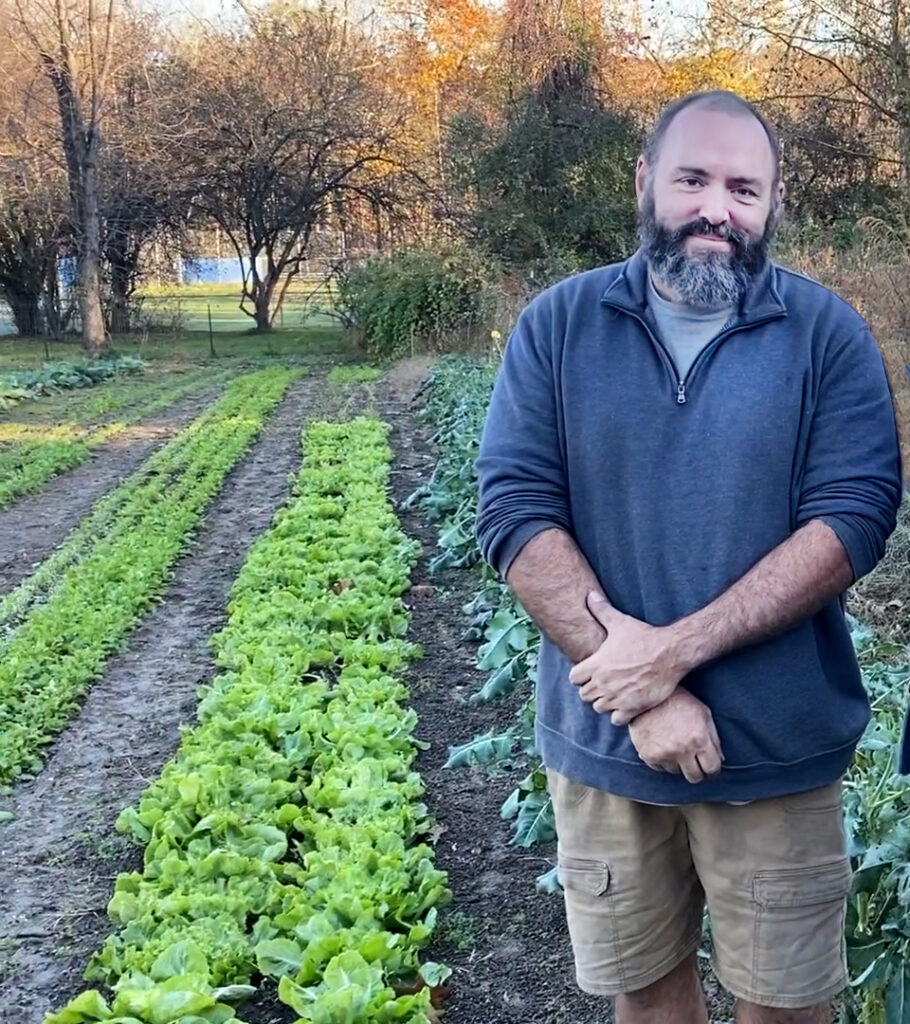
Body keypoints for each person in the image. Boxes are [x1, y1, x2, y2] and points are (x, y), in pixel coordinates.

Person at [474, 90, 903, 1024]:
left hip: (779, 751)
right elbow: (514, 509)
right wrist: (648, 692)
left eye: (744, 188)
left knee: (789, 1007)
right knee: (648, 995)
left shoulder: (826, 336)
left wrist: (675, 652)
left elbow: (856, 514)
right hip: (607, 742)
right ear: (645, 183)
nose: (718, 207)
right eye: (694, 179)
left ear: (773, 202)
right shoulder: (559, 325)